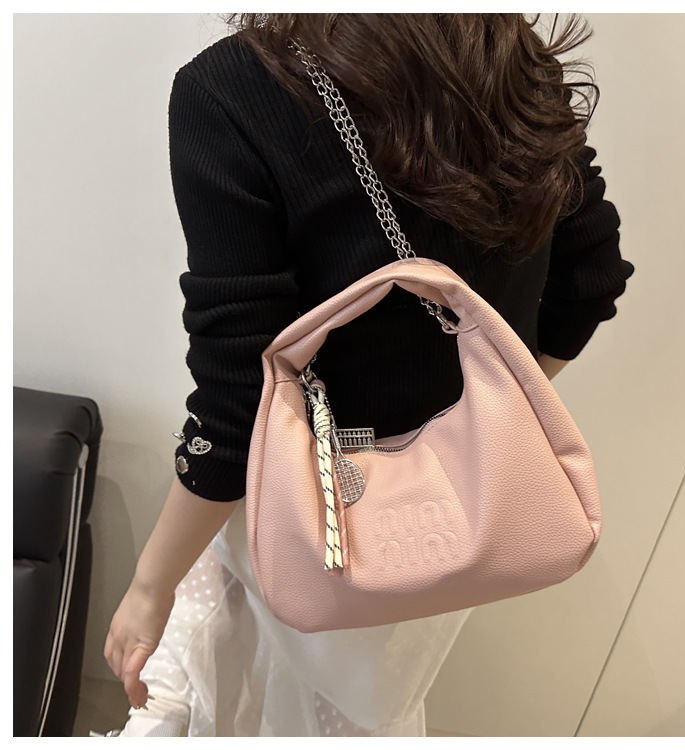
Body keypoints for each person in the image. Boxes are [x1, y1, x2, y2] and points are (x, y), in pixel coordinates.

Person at [103, 13, 634, 737]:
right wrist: (488, 424)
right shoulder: (502, 48)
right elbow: (592, 278)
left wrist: (149, 586)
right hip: (470, 509)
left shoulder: (231, 89)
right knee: (362, 716)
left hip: (310, 508)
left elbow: (238, 401)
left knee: (233, 693)